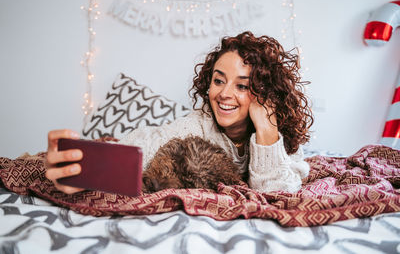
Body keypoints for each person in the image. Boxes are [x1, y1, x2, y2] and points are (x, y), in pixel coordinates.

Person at [45, 31, 314, 195]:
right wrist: (82, 168)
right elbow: (143, 146)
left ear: (265, 93)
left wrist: (266, 128)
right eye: (219, 80)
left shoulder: (281, 135)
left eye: (242, 85)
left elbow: (279, 192)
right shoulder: (197, 128)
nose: (224, 94)